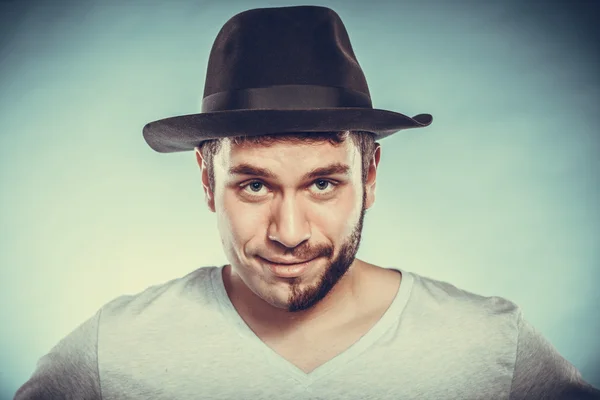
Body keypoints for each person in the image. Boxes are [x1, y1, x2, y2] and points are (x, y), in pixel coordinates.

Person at [14, 5, 600, 400]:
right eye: (254, 185)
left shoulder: (490, 347)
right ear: (204, 176)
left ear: (369, 174)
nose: (289, 232)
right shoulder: (114, 351)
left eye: (323, 183)